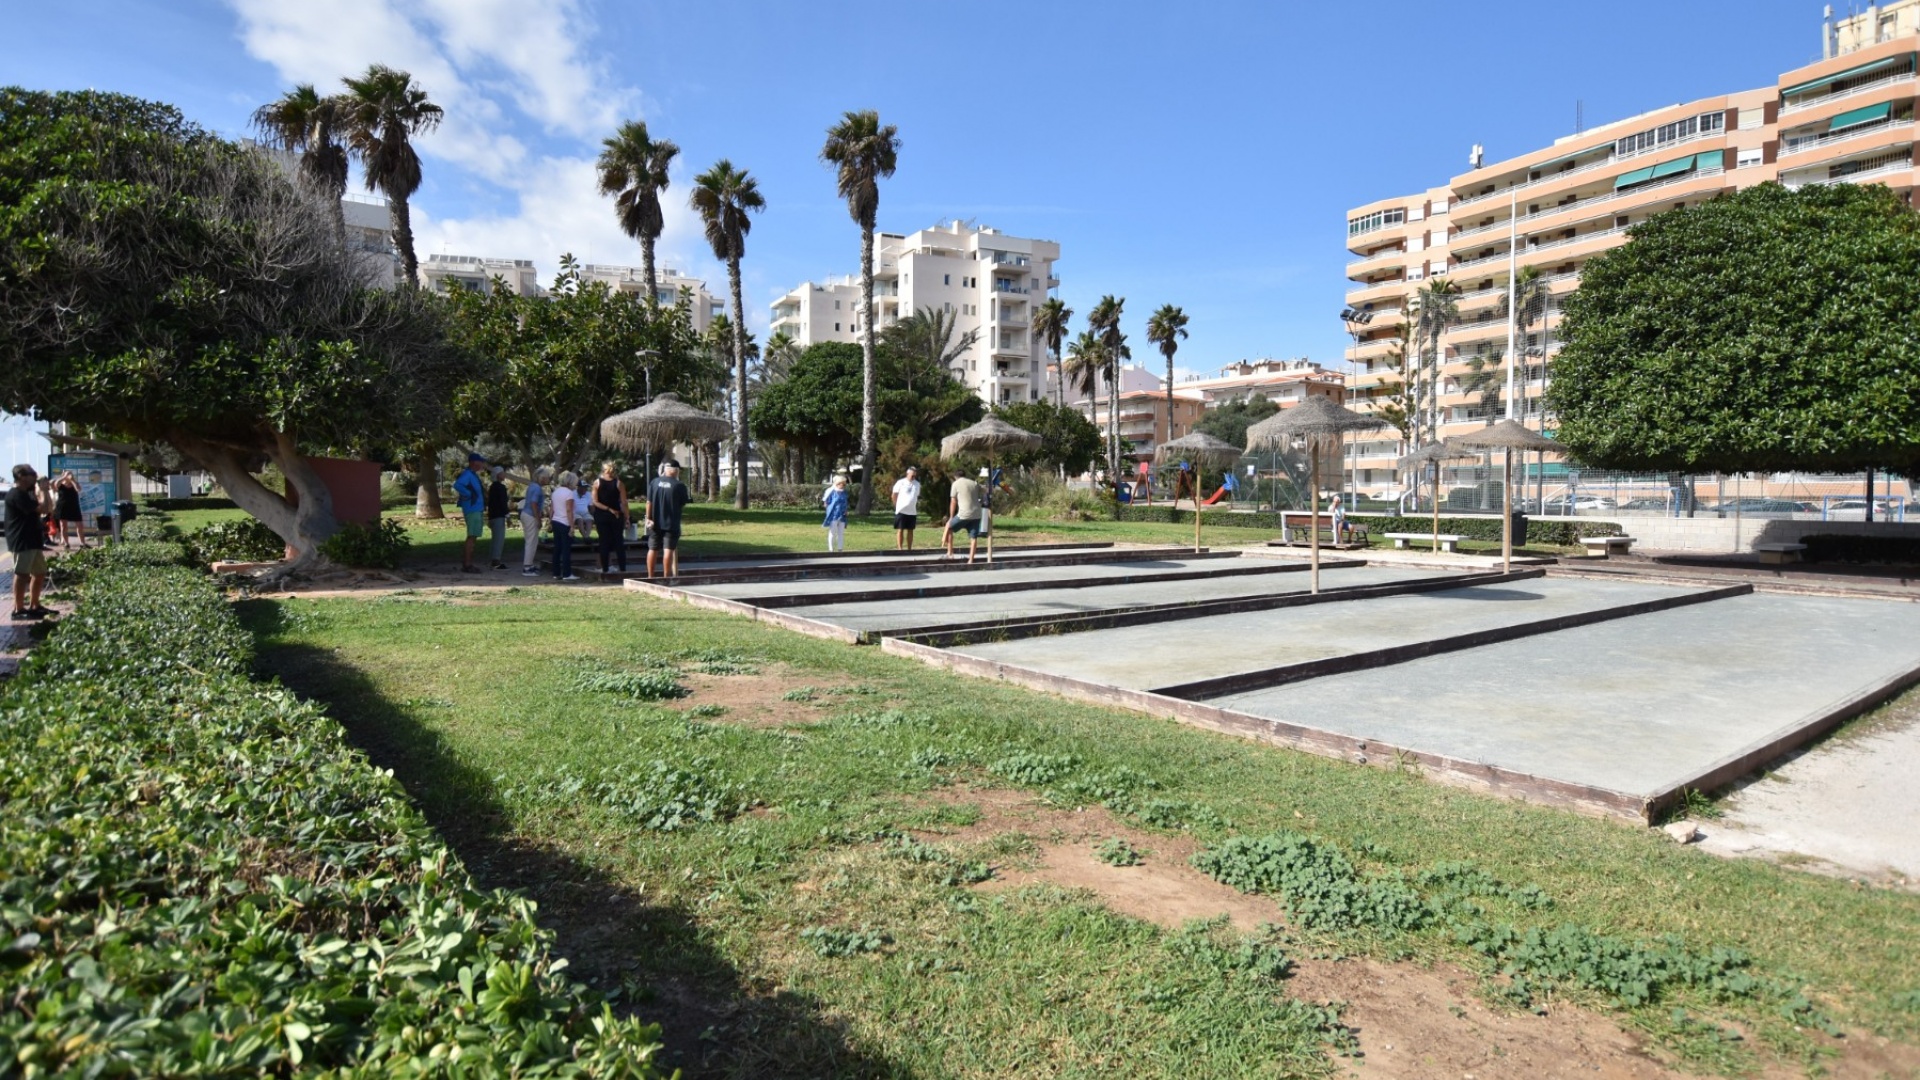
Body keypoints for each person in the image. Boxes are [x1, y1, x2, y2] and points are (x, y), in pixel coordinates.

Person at [7, 465, 54, 621]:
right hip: (22, 539)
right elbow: (41, 510)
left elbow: (48, 509)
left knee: (39, 573)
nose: (34, 476)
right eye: (31, 474)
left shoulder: (28, 493)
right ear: (21, 476)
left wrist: (45, 491)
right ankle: (18, 609)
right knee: (22, 574)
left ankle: (35, 605)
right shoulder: (17, 494)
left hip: (33, 539)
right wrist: (43, 491)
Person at [645, 459, 690, 579]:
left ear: (665, 470)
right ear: (676, 471)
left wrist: (648, 518)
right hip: (671, 522)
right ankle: (667, 576)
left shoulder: (654, 482)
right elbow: (683, 503)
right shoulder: (679, 485)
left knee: (652, 548)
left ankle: (650, 576)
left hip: (654, 522)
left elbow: (649, 502)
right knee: (668, 550)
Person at [590, 461, 630, 576]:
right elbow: (624, 502)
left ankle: (605, 569)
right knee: (619, 541)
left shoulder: (597, 483)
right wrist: (627, 516)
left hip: (601, 514)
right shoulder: (619, 483)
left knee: (604, 541)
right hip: (616, 514)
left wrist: (607, 509)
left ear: (603, 470)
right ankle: (623, 568)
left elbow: (595, 502)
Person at [454, 453, 486, 573]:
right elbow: (457, 485)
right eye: (480, 461)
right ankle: (467, 564)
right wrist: (468, 494)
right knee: (472, 537)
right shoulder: (467, 474)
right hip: (472, 509)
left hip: (476, 509)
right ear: (474, 463)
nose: (482, 464)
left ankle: (468, 563)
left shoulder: (472, 475)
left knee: (473, 536)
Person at [946, 468, 984, 564]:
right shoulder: (974, 483)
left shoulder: (955, 484)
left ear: (955, 476)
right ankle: (971, 560)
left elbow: (953, 501)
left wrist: (951, 517)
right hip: (977, 514)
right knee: (973, 537)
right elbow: (985, 490)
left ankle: (950, 553)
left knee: (949, 529)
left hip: (964, 514)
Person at [550, 470, 580, 582]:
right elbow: (569, 510)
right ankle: (567, 573)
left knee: (557, 548)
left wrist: (550, 520)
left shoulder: (555, 492)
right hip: (565, 522)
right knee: (566, 549)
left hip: (556, 521)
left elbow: (552, 509)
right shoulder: (569, 493)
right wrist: (572, 526)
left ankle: (556, 572)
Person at [520, 466, 550, 576]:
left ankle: (530, 564)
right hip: (530, 515)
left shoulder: (532, 486)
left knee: (532, 540)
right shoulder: (537, 489)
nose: (548, 479)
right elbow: (534, 504)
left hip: (525, 513)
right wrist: (538, 519)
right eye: (547, 477)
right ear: (542, 478)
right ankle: (527, 567)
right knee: (531, 541)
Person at [486, 466, 511, 570]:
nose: (504, 474)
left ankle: (493, 560)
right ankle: (496, 561)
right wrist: (508, 516)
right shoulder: (501, 487)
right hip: (499, 516)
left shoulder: (492, 487)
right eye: (502, 473)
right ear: (498, 475)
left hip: (492, 515)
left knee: (494, 539)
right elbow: (503, 503)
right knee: (499, 539)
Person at [891, 465, 921, 550]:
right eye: (912, 475)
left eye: (915, 475)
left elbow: (916, 496)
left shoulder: (917, 484)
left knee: (910, 530)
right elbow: (894, 495)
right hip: (901, 510)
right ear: (907, 474)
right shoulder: (901, 482)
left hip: (912, 511)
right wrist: (896, 505)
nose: (913, 477)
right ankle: (900, 548)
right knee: (900, 529)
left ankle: (909, 549)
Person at [52, 471, 85, 550]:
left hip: (74, 506)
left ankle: (82, 543)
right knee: (63, 526)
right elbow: (56, 484)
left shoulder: (74, 483)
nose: (69, 475)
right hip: (63, 507)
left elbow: (78, 489)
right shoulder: (60, 484)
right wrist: (64, 477)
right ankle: (66, 543)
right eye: (68, 474)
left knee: (79, 525)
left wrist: (72, 480)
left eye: (71, 474)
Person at [823, 474, 850, 552]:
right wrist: (828, 510)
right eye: (841, 484)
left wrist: (846, 510)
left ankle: (840, 548)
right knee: (832, 532)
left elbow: (845, 503)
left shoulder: (844, 493)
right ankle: (831, 549)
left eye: (844, 484)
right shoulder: (832, 493)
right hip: (834, 515)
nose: (843, 485)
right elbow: (826, 503)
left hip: (842, 515)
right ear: (837, 484)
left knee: (841, 533)